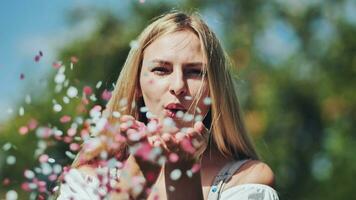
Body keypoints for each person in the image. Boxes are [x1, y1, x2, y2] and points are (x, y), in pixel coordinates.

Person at [56, 10, 279, 200]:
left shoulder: (246, 180)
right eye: (161, 70)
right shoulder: (91, 179)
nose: (178, 85)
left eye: (195, 72)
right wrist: (136, 172)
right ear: (136, 85)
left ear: (215, 89)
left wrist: (184, 169)